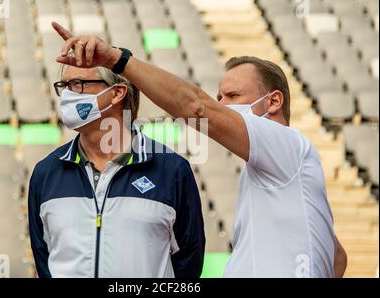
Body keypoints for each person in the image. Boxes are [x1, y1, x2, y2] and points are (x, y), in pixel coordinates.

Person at [50, 21, 348, 278]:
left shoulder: (287, 146)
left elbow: (196, 107)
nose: (222, 105)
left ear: (273, 102)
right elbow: (336, 257)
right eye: (219, 96)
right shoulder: (277, 173)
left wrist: (117, 58)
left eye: (232, 95)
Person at [28, 61, 205, 278]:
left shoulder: (172, 170)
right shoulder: (46, 173)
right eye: (64, 86)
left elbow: (189, 260)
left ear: (117, 93)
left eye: (77, 84)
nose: (67, 95)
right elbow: (43, 256)